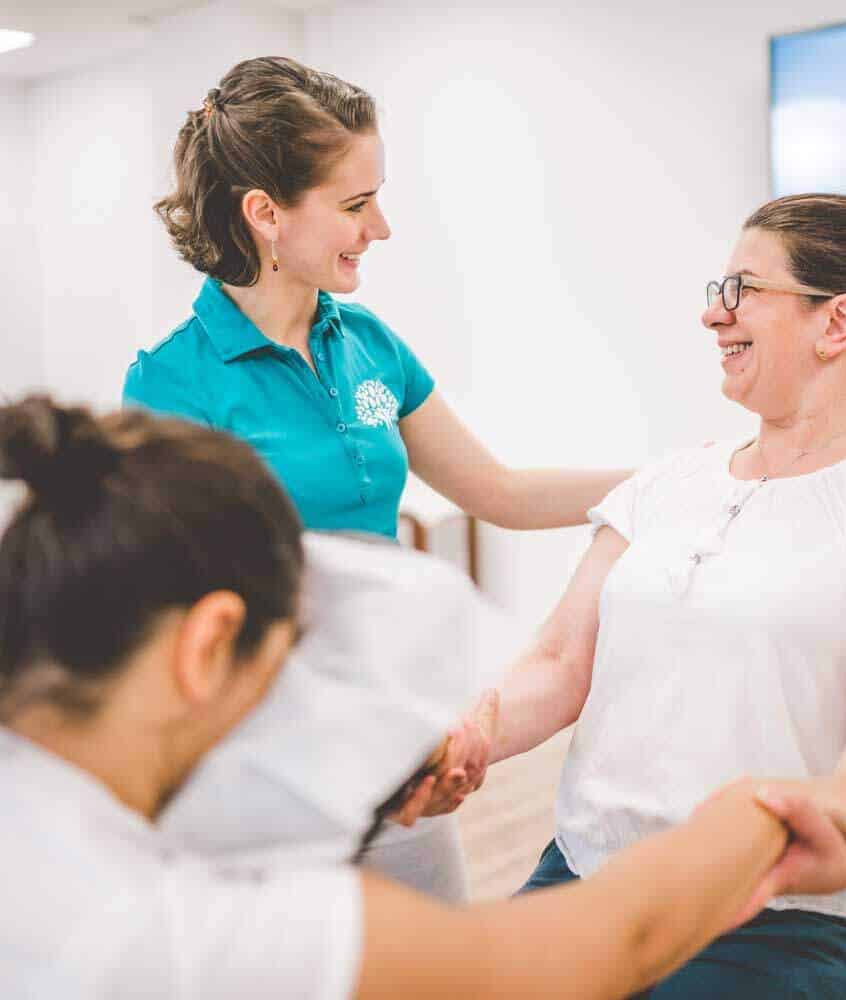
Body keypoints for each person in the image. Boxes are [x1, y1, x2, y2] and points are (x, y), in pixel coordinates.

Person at [0, 395, 846, 999]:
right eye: (276, 671)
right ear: (205, 647)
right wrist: (758, 813)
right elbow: (594, 948)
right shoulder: (176, 932)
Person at [462, 195, 846, 999]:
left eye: (741, 290)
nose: (714, 315)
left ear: (837, 322)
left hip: (797, 912)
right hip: (594, 875)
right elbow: (561, 659)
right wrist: (466, 737)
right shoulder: (667, 482)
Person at [123, 55, 630, 900]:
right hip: (264, 769)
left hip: (394, 742)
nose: (382, 228)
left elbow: (498, 493)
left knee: (437, 957)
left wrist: (671, 481)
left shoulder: (369, 344)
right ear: (265, 213)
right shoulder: (172, 384)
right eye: (356, 205)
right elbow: (175, 609)